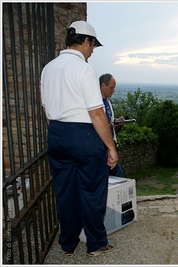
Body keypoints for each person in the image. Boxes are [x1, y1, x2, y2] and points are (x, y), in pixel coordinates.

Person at [40, 21, 117, 257]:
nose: (92, 50)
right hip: (83, 135)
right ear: (86, 41)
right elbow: (96, 113)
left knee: (66, 192)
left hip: (56, 133)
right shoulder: (84, 70)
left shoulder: (48, 68)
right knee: (92, 191)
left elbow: (46, 109)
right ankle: (95, 244)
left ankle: (68, 244)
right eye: (93, 45)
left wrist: (58, 133)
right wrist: (111, 148)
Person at [99, 73, 125, 177]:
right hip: (102, 149)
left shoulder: (108, 103)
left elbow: (108, 124)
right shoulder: (96, 104)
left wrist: (116, 123)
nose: (113, 90)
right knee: (118, 177)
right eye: (112, 88)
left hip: (108, 147)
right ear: (103, 85)